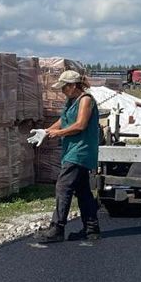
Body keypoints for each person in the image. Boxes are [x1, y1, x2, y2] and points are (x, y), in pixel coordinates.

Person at [37, 69, 101, 244]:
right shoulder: (70, 101)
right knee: (82, 190)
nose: (62, 91)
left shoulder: (85, 100)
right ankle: (91, 229)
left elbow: (80, 125)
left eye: (64, 87)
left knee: (63, 186)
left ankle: (57, 227)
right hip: (71, 150)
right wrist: (46, 131)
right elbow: (64, 120)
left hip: (81, 150)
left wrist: (58, 134)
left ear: (73, 86)